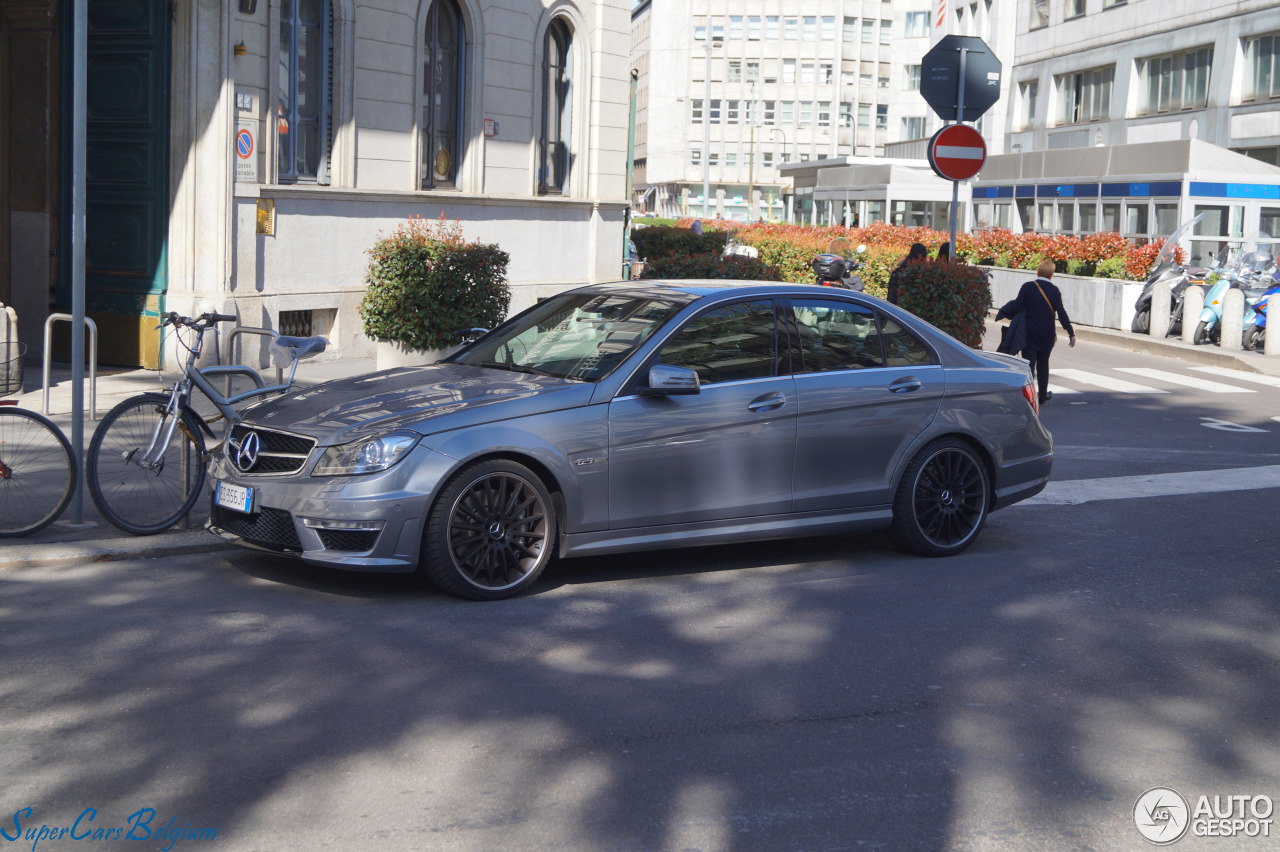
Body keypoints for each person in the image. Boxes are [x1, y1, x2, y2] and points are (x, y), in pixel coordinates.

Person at [1011, 259, 1076, 405]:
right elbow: (1062, 313)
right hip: (1046, 335)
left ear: (1037, 272)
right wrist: (1070, 333)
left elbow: (1016, 306)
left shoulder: (1027, 287)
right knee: (1043, 364)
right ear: (1051, 275)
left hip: (1029, 333)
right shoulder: (1054, 290)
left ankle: (1026, 396)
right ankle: (1042, 397)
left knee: (1029, 365)